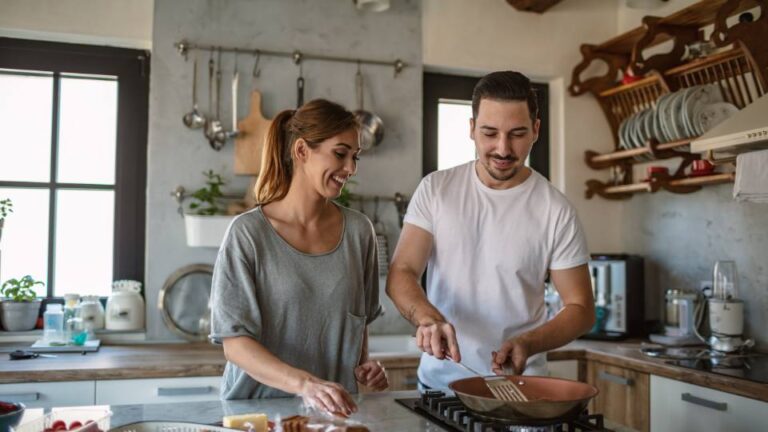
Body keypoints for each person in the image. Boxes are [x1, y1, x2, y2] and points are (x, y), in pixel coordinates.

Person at [386, 71, 595, 391]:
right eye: (489, 133)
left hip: (520, 388)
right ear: (471, 129)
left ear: (536, 130)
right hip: (442, 386)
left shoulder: (556, 210)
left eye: (517, 133)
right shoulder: (436, 190)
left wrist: (530, 342)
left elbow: (580, 308)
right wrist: (429, 320)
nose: (502, 148)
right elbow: (402, 271)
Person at [210, 99, 388, 414]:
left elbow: (357, 321)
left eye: (355, 157)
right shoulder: (248, 234)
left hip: (331, 415)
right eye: (340, 153)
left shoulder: (360, 232)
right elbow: (235, 345)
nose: (350, 168)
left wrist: (363, 364)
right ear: (302, 151)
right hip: (256, 414)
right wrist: (305, 384)